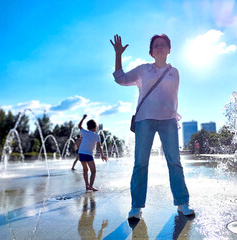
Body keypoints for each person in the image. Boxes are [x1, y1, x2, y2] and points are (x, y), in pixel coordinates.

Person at [110, 34, 194, 219]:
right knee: (141, 162)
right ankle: (136, 207)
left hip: (168, 121)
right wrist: (118, 55)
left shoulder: (174, 72)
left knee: (175, 162)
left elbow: (169, 98)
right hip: (145, 120)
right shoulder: (143, 70)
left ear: (169, 50)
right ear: (151, 51)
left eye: (164, 45)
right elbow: (120, 78)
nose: (160, 47)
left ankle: (182, 203)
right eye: (156, 45)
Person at [78, 114, 107, 191]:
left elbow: (79, 125)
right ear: (95, 127)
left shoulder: (84, 132)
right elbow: (99, 146)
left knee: (85, 170)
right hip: (88, 154)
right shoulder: (96, 135)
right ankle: (90, 186)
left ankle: (87, 185)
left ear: (87, 127)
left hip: (80, 153)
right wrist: (102, 155)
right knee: (93, 171)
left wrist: (83, 118)